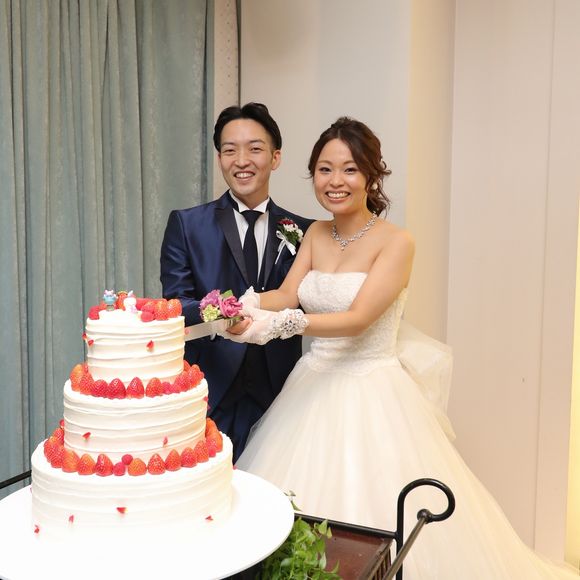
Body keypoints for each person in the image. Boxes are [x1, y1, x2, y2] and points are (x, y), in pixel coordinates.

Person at [223, 117, 578, 578]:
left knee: (376, 513)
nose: (335, 181)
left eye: (349, 169)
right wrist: (243, 305)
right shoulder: (315, 234)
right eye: (325, 170)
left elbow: (358, 319)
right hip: (311, 385)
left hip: (372, 389)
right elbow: (288, 294)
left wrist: (280, 326)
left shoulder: (396, 242)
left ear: (372, 176)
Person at [160, 102, 312, 461]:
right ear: (219, 159)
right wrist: (222, 312)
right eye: (230, 150)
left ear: (275, 157)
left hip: (280, 394)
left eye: (255, 148)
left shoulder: (303, 230)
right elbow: (176, 303)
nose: (242, 160)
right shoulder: (187, 224)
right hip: (211, 390)